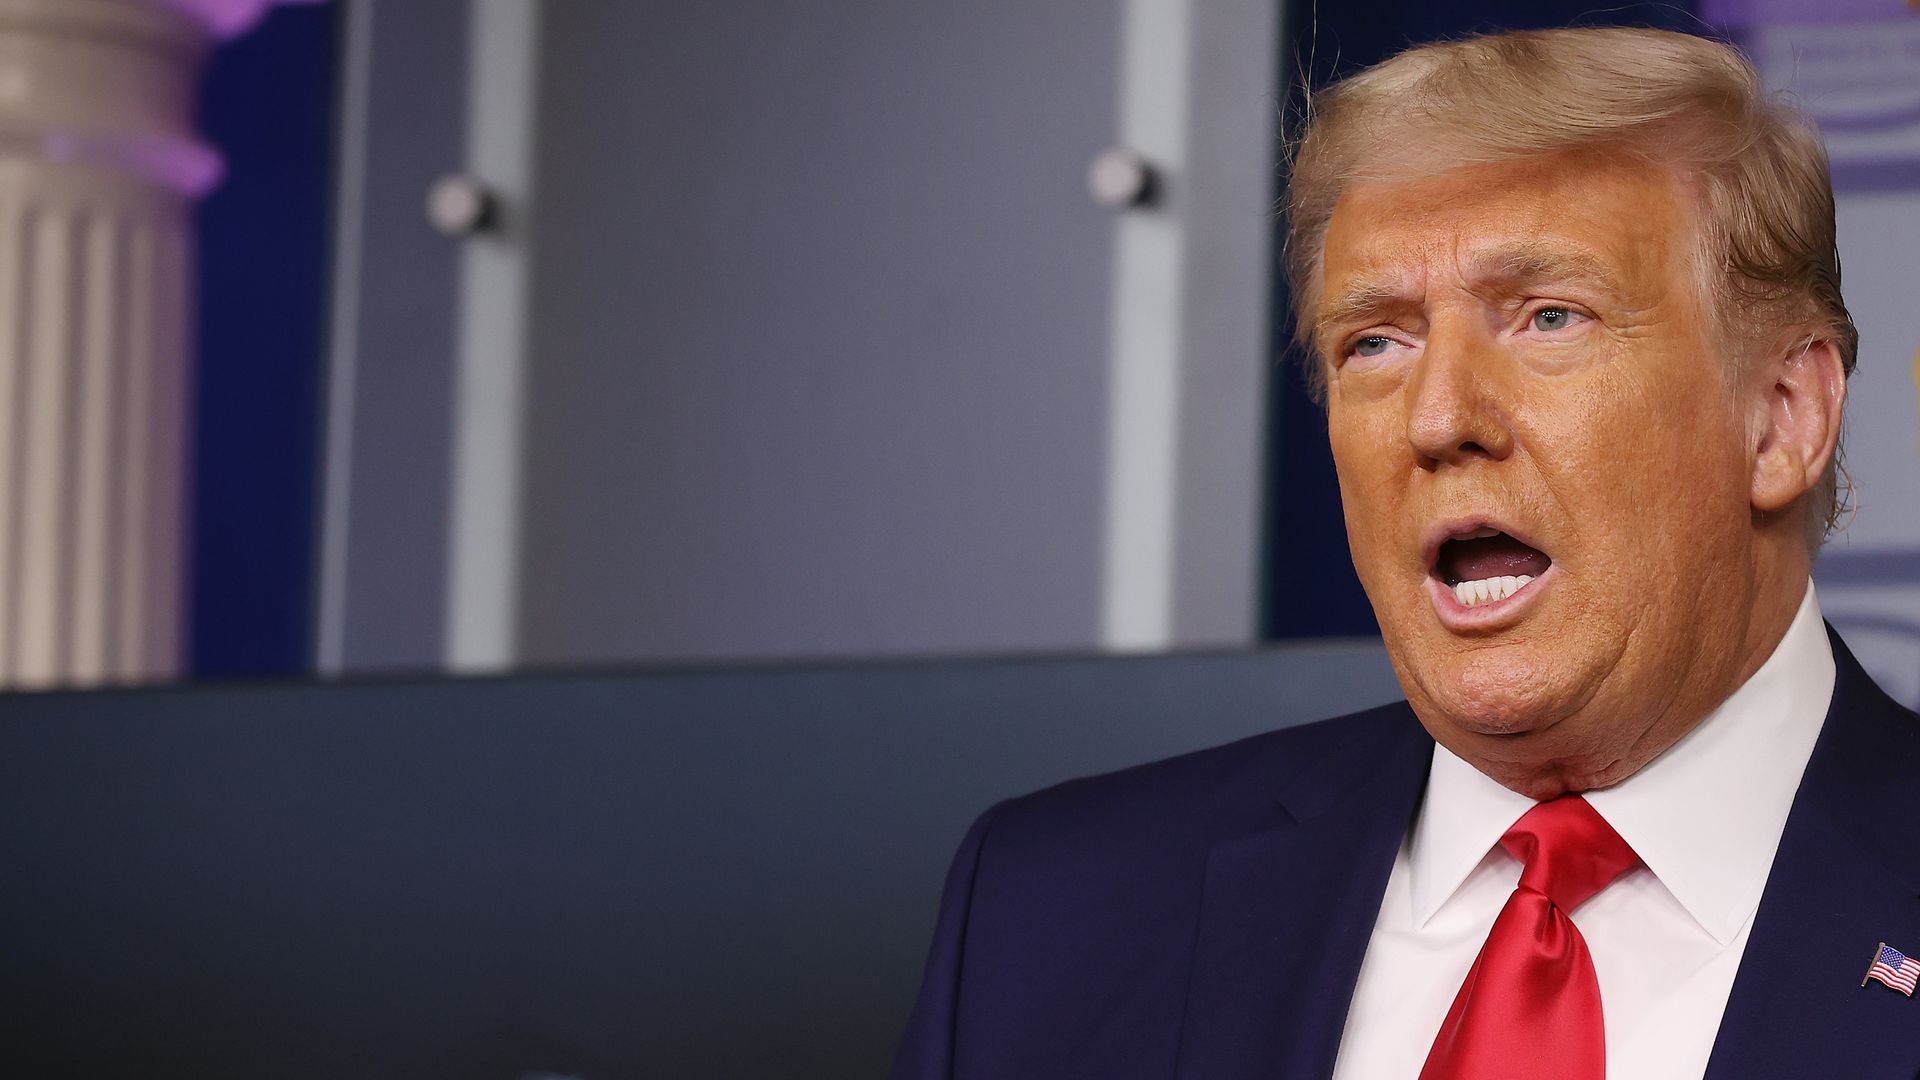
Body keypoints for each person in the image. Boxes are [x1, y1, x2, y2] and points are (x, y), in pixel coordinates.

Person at [888, 25, 1920, 1080]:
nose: (1437, 419)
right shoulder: (1049, 915)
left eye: (1548, 317)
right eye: (1375, 341)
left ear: (1783, 416)